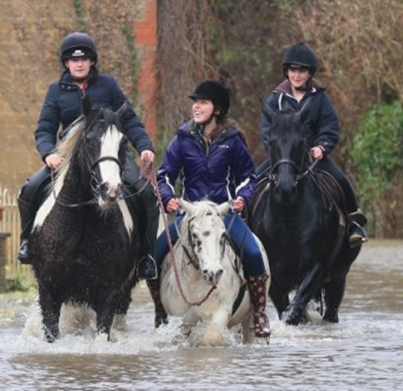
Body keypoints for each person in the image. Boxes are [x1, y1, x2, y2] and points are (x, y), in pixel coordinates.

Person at [16, 31, 159, 280]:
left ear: (92, 61)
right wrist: (48, 153)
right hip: (70, 158)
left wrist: (144, 146)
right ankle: (27, 242)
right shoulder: (56, 91)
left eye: (84, 59)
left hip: (110, 155)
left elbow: (130, 121)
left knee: (146, 194)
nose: (78, 63)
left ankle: (146, 257)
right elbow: (44, 129)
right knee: (29, 190)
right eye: (73, 59)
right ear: (66, 63)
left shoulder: (109, 85)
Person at [148, 80, 271, 338]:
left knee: (253, 253)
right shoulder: (182, 138)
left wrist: (242, 198)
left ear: (217, 109)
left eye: (202, 102)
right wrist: (169, 197)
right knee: (154, 256)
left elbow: (248, 177)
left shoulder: (233, 141)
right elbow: (164, 175)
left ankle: (259, 314)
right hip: (189, 215)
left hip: (223, 214)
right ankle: (161, 311)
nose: (196, 107)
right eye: (195, 102)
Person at [261, 42, 368, 247]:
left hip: (312, 156)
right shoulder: (275, 99)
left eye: (302, 71)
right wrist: (275, 150)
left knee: (341, 180)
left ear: (309, 73)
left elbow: (330, 126)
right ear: (287, 72)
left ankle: (354, 222)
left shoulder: (320, 99)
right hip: (284, 156)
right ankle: (245, 221)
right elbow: (267, 130)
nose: (297, 75)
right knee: (255, 179)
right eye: (293, 70)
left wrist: (322, 147)